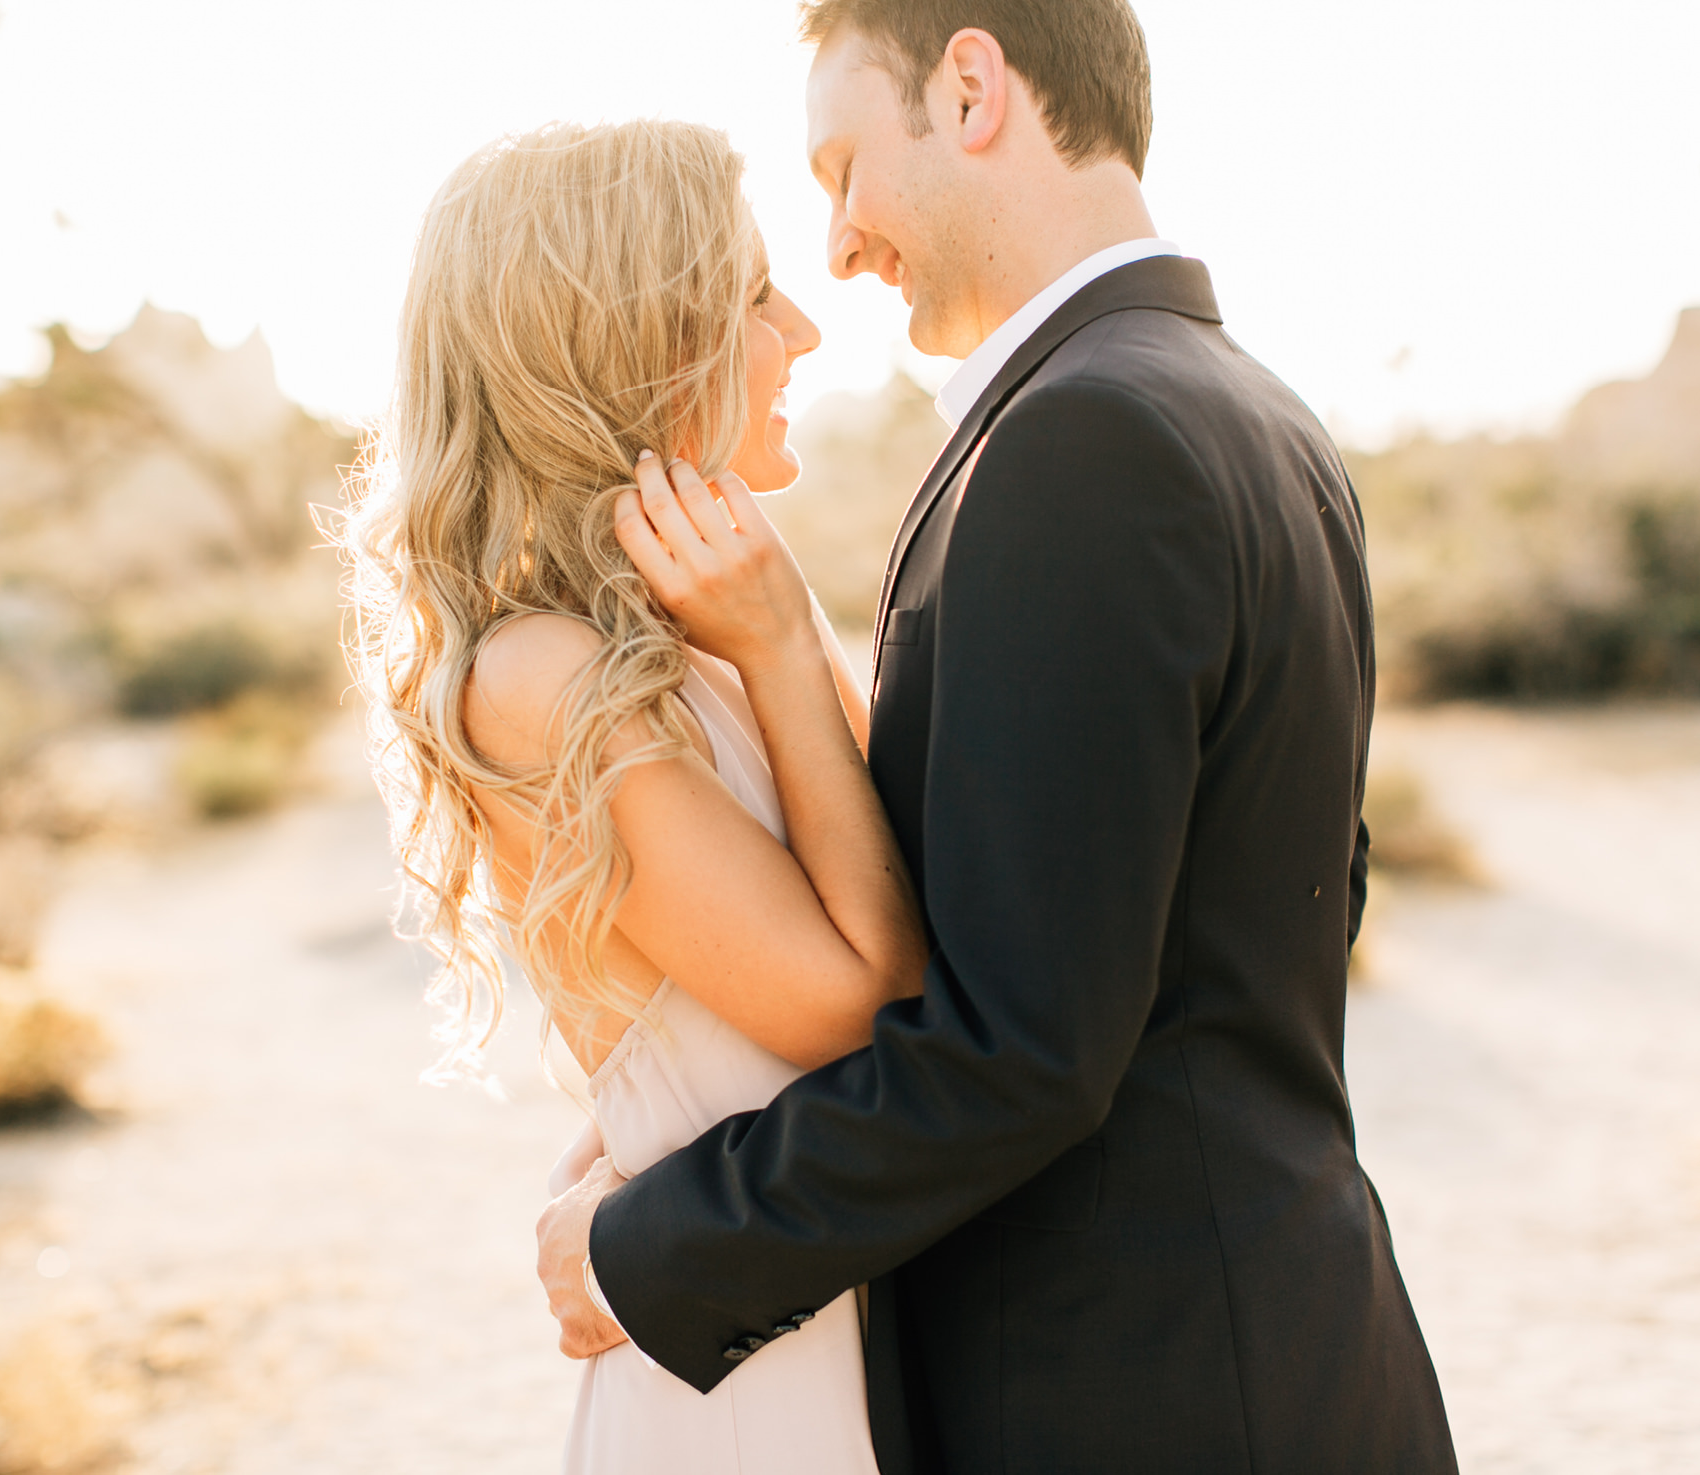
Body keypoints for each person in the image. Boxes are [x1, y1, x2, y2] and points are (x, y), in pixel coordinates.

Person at [534, 1, 1460, 1471]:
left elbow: (1022, 1050)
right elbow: (1291, 902)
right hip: (1284, 1351)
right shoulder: (1252, 413)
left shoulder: (1084, 441)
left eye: (843, 168)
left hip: (1135, 1400)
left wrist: (642, 1248)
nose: (838, 244)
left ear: (971, 89)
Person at [345, 121, 925, 1473]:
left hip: (825, 1318)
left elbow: (922, 856)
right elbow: (865, 998)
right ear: (636, 346)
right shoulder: (541, 673)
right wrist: (783, 641)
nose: (804, 332)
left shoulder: (679, 638)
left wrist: (777, 631)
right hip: (754, 1391)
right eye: (750, 298)